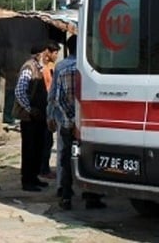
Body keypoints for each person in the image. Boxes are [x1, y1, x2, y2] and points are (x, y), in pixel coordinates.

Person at [51, 35, 106, 210]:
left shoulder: (61, 68)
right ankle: (92, 196)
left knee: (66, 160)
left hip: (68, 124)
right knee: (90, 158)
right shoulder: (94, 68)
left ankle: (66, 197)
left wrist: (70, 119)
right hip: (89, 124)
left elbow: (57, 98)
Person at [13, 43, 49, 192]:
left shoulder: (38, 68)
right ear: (39, 54)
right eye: (45, 54)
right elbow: (20, 91)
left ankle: (34, 178)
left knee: (38, 148)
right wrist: (30, 109)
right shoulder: (29, 68)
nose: (46, 57)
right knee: (29, 149)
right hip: (29, 118)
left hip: (37, 116)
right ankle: (27, 181)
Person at [39, 41, 61, 180]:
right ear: (48, 52)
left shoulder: (53, 67)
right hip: (45, 106)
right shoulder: (43, 68)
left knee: (48, 140)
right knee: (45, 141)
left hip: (50, 107)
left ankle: (44, 168)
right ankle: (43, 169)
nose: (57, 55)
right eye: (55, 53)